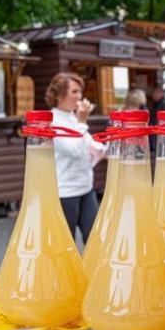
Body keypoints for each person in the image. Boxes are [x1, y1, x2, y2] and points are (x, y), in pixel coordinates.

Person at [45, 72, 106, 244]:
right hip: (65, 192)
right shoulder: (52, 121)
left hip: (86, 187)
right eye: (74, 92)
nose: (79, 96)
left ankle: (92, 271)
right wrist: (82, 121)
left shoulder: (73, 117)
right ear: (58, 94)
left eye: (80, 92)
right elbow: (74, 150)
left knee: (94, 239)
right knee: (66, 244)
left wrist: (108, 147)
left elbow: (87, 144)